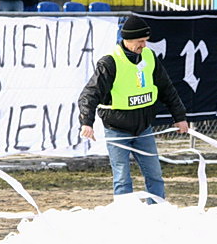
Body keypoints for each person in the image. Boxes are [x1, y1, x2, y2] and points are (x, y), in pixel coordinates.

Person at [78, 15, 188, 201]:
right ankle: (125, 216)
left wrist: (180, 117)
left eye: (145, 41)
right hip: (117, 130)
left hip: (144, 129)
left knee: (155, 175)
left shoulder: (149, 57)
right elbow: (89, 94)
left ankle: (157, 212)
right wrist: (86, 123)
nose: (144, 45)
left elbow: (166, 89)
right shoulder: (110, 63)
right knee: (122, 179)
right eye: (140, 41)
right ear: (127, 40)